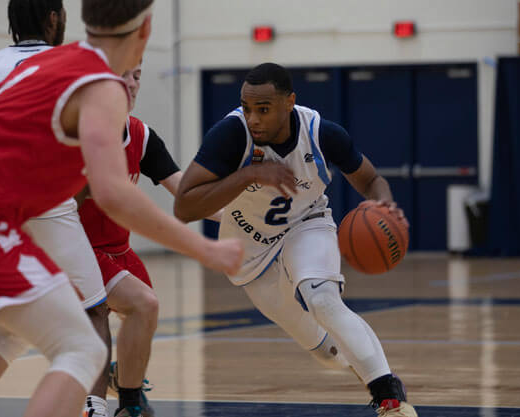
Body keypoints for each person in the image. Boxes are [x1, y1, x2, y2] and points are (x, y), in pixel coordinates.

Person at [0, 1, 242, 417]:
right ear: (147, 28)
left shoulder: (50, 64)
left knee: (13, 331)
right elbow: (114, 195)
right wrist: (205, 249)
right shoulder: (99, 86)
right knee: (81, 347)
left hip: (7, 222)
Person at [175, 62, 417, 417]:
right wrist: (250, 174)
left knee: (322, 299)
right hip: (250, 248)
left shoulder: (321, 133)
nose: (253, 118)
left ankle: (390, 398)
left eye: (263, 109)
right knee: (327, 352)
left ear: (289, 102)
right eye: (246, 108)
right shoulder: (231, 135)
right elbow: (184, 206)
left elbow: (370, 178)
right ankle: (364, 362)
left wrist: (384, 204)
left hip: (307, 222)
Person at [0, 2, 114, 414]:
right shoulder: (70, 65)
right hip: (46, 206)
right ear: (54, 19)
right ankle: (93, 405)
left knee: (14, 322)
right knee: (93, 313)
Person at [78, 62, 222, 417]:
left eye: (138, 75)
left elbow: (186, 196)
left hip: (118, 250)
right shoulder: (79, 135)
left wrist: (243, 220)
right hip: (77, 249)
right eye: (122, 74)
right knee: (140, 303)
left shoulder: (142, 137)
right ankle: (112, 404)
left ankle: (124, 384)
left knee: (143, 314)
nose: (132, 82)